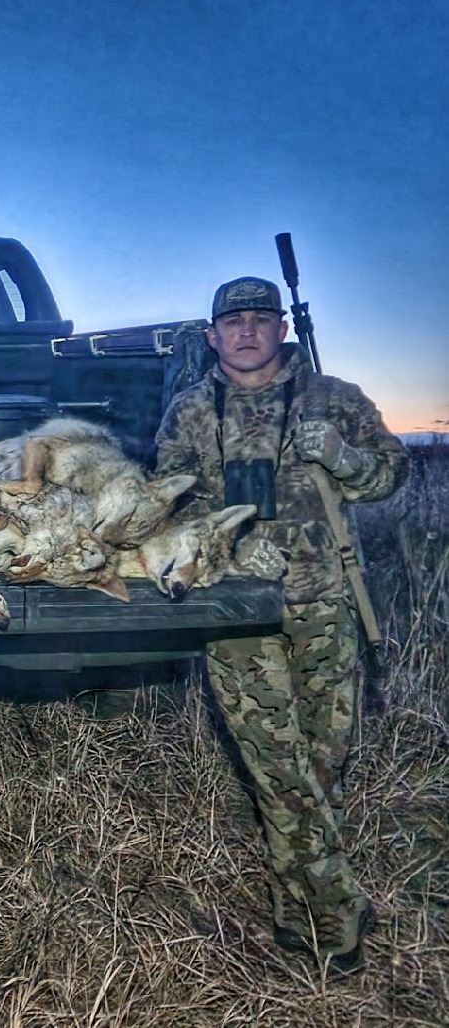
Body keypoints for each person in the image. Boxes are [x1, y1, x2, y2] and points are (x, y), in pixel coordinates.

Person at [154, 276, 409, 972]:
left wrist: (345, 458)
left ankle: (292, 907)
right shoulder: (190, 411)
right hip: (238, 614)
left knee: (322, 766)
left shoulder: (334, 398)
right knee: (280, 769)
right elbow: (166, 504)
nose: (246, 331)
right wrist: (231, 545)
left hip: (325, 607)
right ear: (212, 336)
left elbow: (392, 475)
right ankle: (337, 915)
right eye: (233, 322)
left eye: (260, 320)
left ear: (281, 330)